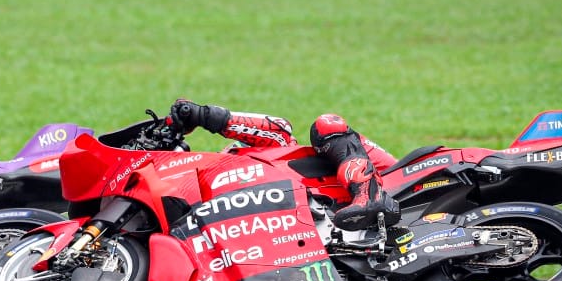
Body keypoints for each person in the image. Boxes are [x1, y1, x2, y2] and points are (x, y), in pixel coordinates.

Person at [166, 99, 400, 231]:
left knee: (326, 125)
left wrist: (204, 116)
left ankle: (369, 194)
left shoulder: (268, 149)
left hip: (390, 178)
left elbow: (280, 129)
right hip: (331, 219)